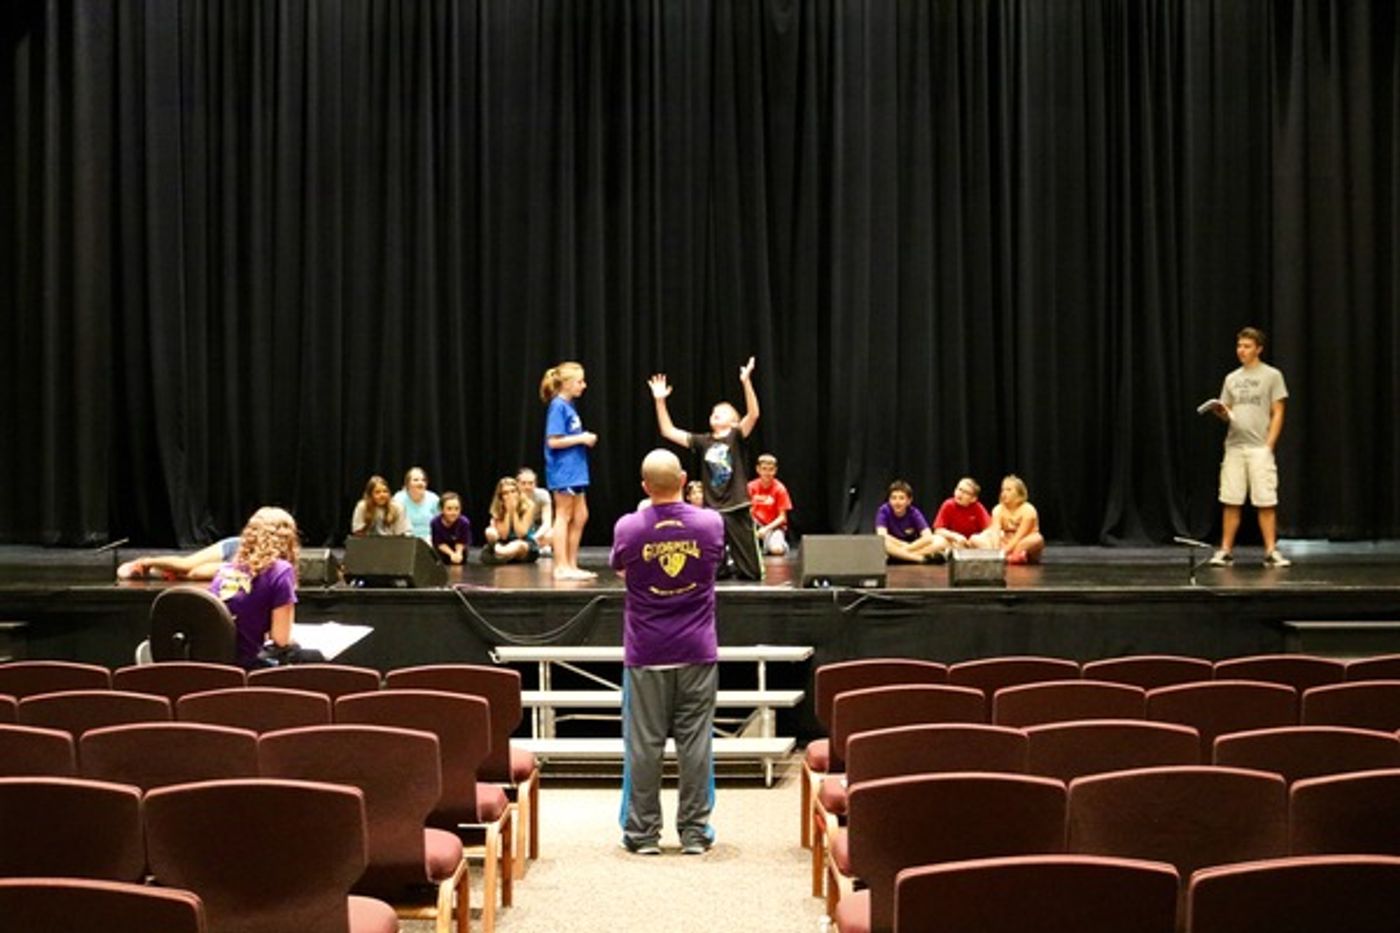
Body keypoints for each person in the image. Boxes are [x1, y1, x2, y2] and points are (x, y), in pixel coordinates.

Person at [610, 449, 725, 856]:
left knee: (644, 746)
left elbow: (623, 570)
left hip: (646, 653)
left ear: (644, 487)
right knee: (696, 745)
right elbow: (713, 566)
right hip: (696, 650)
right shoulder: (711, 524)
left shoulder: (629, 527)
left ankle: (643, 835)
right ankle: (694, 833)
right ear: (683, 480)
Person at [649, 357, 763, 580]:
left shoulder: (736, 436)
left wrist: (746, 381)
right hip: (712, 510)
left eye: (723, 411)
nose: (716, 412)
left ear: (733, 421)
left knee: (752, 572)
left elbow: (754, 414)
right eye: (714, 411)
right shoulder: (703, 441)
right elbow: (668, 431)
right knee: (713, 572)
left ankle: (739, 565)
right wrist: (660, 401)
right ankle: (723, 566)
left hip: (736, 505)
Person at [1207, 327, 1291, 568]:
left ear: (1258, 349)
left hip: (1259, 448)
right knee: (1231, 499)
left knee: (1265, 500)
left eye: (1246, 346)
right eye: (1239, 346)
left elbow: (1278, 412)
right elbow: (1229, 413)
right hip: (1234, 446)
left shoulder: (1272, 375)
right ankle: (1225, 550)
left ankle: (1271, 551)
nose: (1241, 351)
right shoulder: (1231, 378)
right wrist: (1221, 412)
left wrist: (1269, 444)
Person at [209, 507, 300, 669]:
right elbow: (281, 639)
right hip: (249, 666)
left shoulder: (224, 570)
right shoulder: (281, 570)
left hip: (217, 665)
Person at [541, 362, 597, 580]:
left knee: (581, 515)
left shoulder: (569, 406)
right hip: (563, 470)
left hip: (576, 469)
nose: (583, 385)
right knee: (563, 514)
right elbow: (553, 441)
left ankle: (572, 564)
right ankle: (561, 566)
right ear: (566, 384)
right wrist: (582, 438)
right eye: (579, 381)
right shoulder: (558, 406)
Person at [972, 474, 1045, 564]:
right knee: (975, 538)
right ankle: (1008, 558)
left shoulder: (1028, 510)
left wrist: (1004, 551)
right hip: (1005, 542)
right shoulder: (998, 509)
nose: (1004, 493)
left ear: (1019, 493)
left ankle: (1010, 556)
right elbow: (996, 531)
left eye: (1009, 490)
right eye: (1003, 490)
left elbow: (1020, 535)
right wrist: (996, 550)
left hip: (1021, 542)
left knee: (1037, 539)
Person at [117, 536, 241, 581]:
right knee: (186, 564)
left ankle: (162, 571)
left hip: (240, 564)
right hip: (235, 547)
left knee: (194, 574)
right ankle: (146, 562)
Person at [875, 480, 941, 563]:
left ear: (909, 501)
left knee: (940, 541)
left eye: (901, 498)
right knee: (883, 543)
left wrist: (908, 547)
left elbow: (928, 537)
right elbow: (882, 535)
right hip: (894, 545)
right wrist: (902, 544)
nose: (897, 502)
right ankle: (920, 559)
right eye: (893, 498)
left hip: (912, 546)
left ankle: (899, 557)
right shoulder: (884, 510)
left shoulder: (914, 512)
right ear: (889, 500)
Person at [481, 476, 540, 565]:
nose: (510, 496)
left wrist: (515, 511)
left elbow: (521, 533)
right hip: (504, 542)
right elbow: (504, 535)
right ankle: (504, 556)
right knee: (489, 531)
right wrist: (508, 512)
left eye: (513, 491)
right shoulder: (497, 508)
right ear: (500, 496)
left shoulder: (529, 505)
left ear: (518, 492)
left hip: (524, 543)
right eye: (505, 493)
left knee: (517, 545)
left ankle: (498, 554)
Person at [931, 477, 992, 559]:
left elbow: (989, 530)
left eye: (965, 492)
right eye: (959, 489)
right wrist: (956, 536)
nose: (960, 494)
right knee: (937, 542)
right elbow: (938, 530)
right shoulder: (948, 505)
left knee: (978, 540)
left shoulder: (978, 507)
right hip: (953, 542)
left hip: (970, 545)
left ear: (973, 499)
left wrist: (972, 540)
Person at [747, 453, 793, 556]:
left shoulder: (780, 489)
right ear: (758, 469)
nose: (767, 473)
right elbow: (746, 511)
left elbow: (782, 518)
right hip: (755, 525)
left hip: (773, 527)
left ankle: (778, 544)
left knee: (777, 550)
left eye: (771, 469)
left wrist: (766, 529)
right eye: (764, 469)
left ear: (775, 470)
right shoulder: (750, 487)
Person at [392, 466, 440, 541]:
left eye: (423, 480)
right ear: (408, 484)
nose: (420, 483)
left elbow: (441, 523)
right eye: (416, 480)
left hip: (430, 540)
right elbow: (394, 524)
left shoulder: (433, 498)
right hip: (406, 541)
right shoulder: (398, 498)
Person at [516, 467, 554, 557]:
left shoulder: (542, 495)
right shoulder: (513, 495)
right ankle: (535, 548)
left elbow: (547, 523)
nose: (527, 487)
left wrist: (533, 538)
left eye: (531, 483)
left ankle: (533, 547)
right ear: (517, 483)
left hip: (536, 531)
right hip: (519, 530)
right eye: (523, 483)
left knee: (553, 533)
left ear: (535, 484)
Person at [430, 491, 473, 565]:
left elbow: (462, 541)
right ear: (442, 509)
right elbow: (439, 543)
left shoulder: (464, 522)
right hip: (442, 551)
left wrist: (458, 553)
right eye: (449, 509)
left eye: (456, 509)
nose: (453, 512)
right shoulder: (435, 522)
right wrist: (451, 554)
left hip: (459, 550)